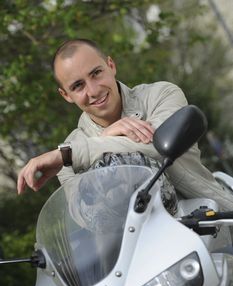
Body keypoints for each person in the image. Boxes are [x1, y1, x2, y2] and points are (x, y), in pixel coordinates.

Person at [17, 38, 233, 211]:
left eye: (96, 73)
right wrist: (104, 139)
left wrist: (82, 151)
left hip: (213, 225)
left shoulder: (161, 94)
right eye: (78, 85)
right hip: (141, 255)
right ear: (66, 95)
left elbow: (158, 146)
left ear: (111, 65)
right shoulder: (69, 151)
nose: (93, 91)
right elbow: (87, 215)